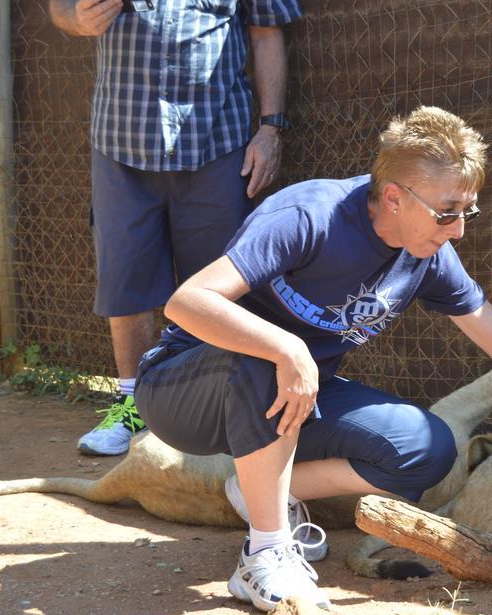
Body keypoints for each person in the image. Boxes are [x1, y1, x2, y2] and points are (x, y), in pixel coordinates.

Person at [133, 106, 492, 613]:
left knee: (426, 448)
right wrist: (287, 346)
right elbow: (189, 303)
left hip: (292, 397)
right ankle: (265, 553)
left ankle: (262, 492)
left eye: (468, 211)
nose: (459, 230)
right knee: (267, 354)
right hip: (184, 390)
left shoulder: (428, 256)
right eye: (447, 212)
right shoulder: (309, 215)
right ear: (395, 197)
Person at [48, 0, 302, 456]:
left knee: (221, 286)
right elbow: (61, 9)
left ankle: (208, 416)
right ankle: (132, 406)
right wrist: (75, 18)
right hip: (121, 139)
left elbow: (267, 32)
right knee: (127, 278)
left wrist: (271, 130)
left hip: (218, 141)